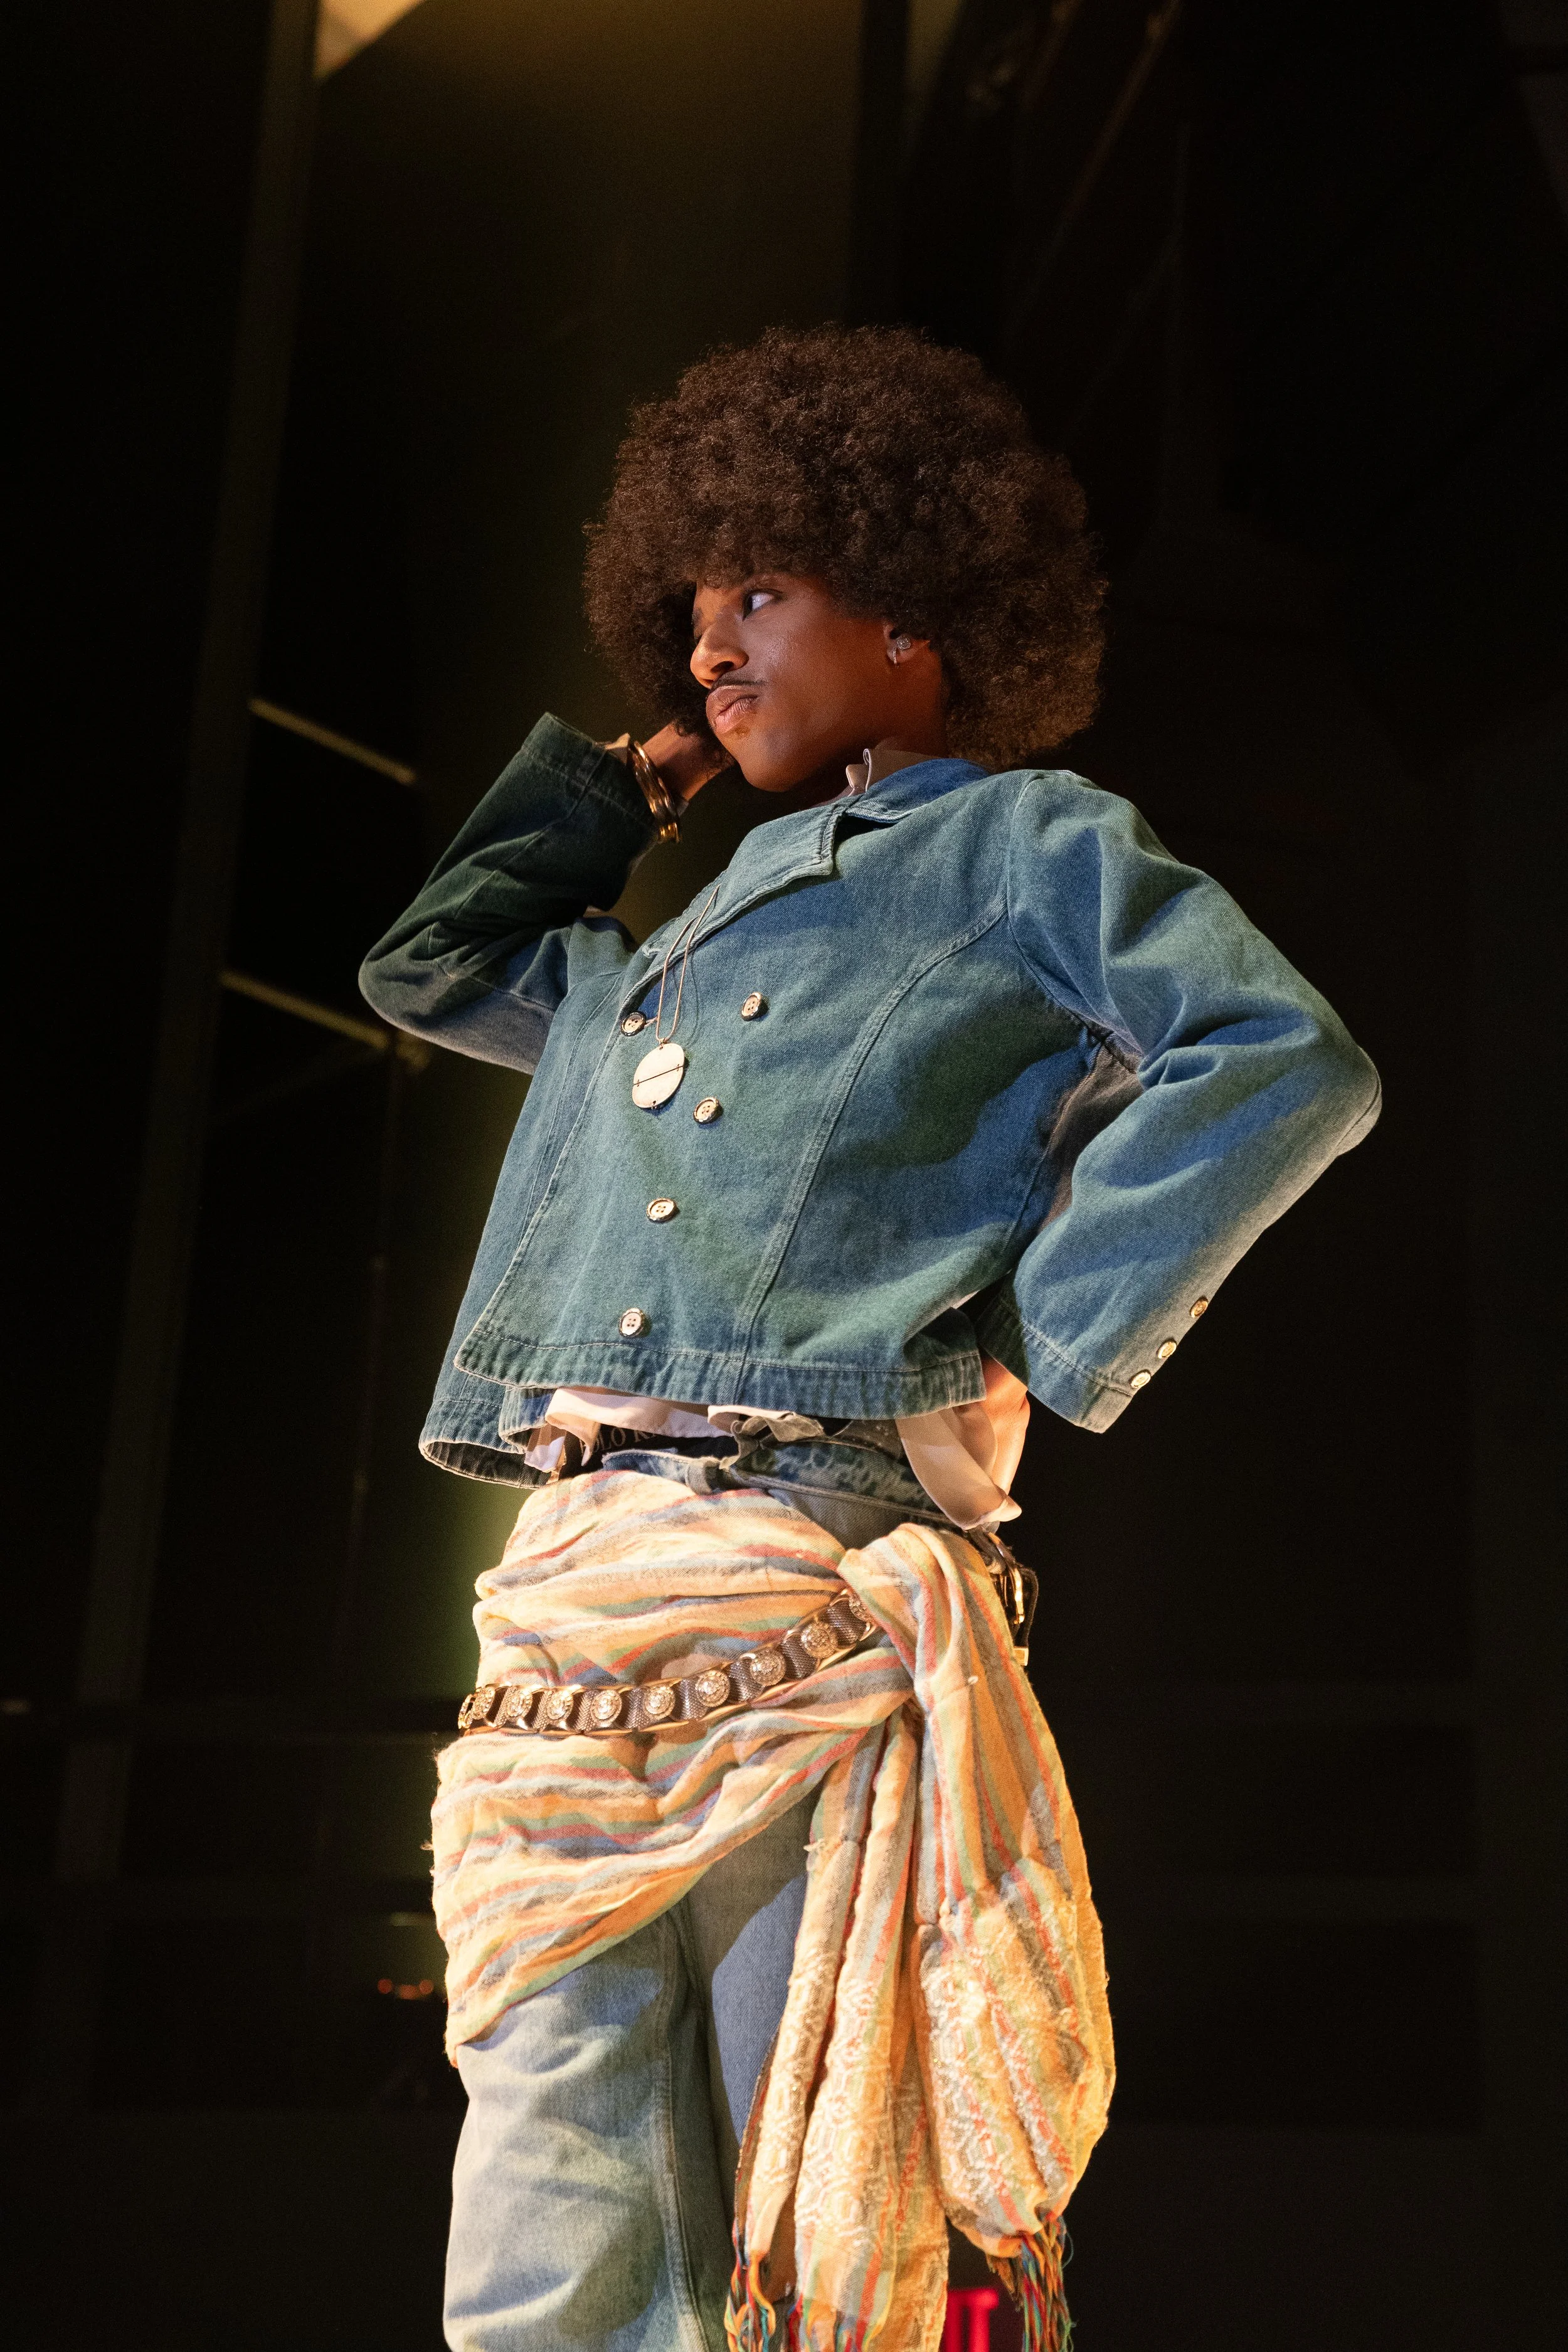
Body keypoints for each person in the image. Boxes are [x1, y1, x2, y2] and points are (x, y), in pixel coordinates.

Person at [359, 324, 1380, 2352]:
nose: (708, 647)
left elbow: (1279, 1058)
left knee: (808, 2189)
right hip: (564, 1615)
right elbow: (428, 961)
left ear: (912, 607)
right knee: (539, 2209)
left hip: (802, 1580)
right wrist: (645, 763)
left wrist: (1026, 1333)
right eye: (689, 604)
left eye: (758, 591)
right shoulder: (651, 958)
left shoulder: (1017, 848)